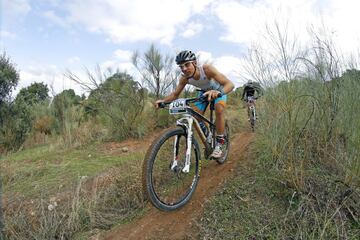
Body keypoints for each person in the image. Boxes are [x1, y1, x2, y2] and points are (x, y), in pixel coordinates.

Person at [156, 50, 234, 158]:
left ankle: (220, 142)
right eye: (181, 67)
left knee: (219, 108)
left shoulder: (207, 70)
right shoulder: (185, 78)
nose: (184, 69)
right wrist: (164, 101)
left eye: (187, 65)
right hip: (203, 92)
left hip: (218, 90)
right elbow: (175, 94)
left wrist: (219, 92)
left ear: (195, 63)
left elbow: (230, 84)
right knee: (196, 116)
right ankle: (208, 135)